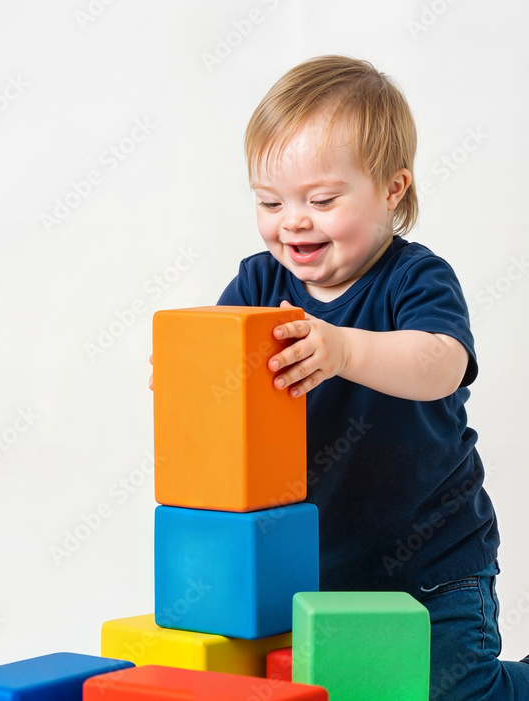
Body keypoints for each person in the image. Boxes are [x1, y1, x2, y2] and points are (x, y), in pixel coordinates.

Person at [213, 55, 528, 699]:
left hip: (432, 564)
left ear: (392, 189)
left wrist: (345, 350)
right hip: (311, 571)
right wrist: (188, 375)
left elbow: (442, 364)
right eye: (270, 201)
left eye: (322, 200)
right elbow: (220, 367)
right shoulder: (258, 282)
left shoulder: (415, 278)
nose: (292, 220)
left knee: (453, 691)